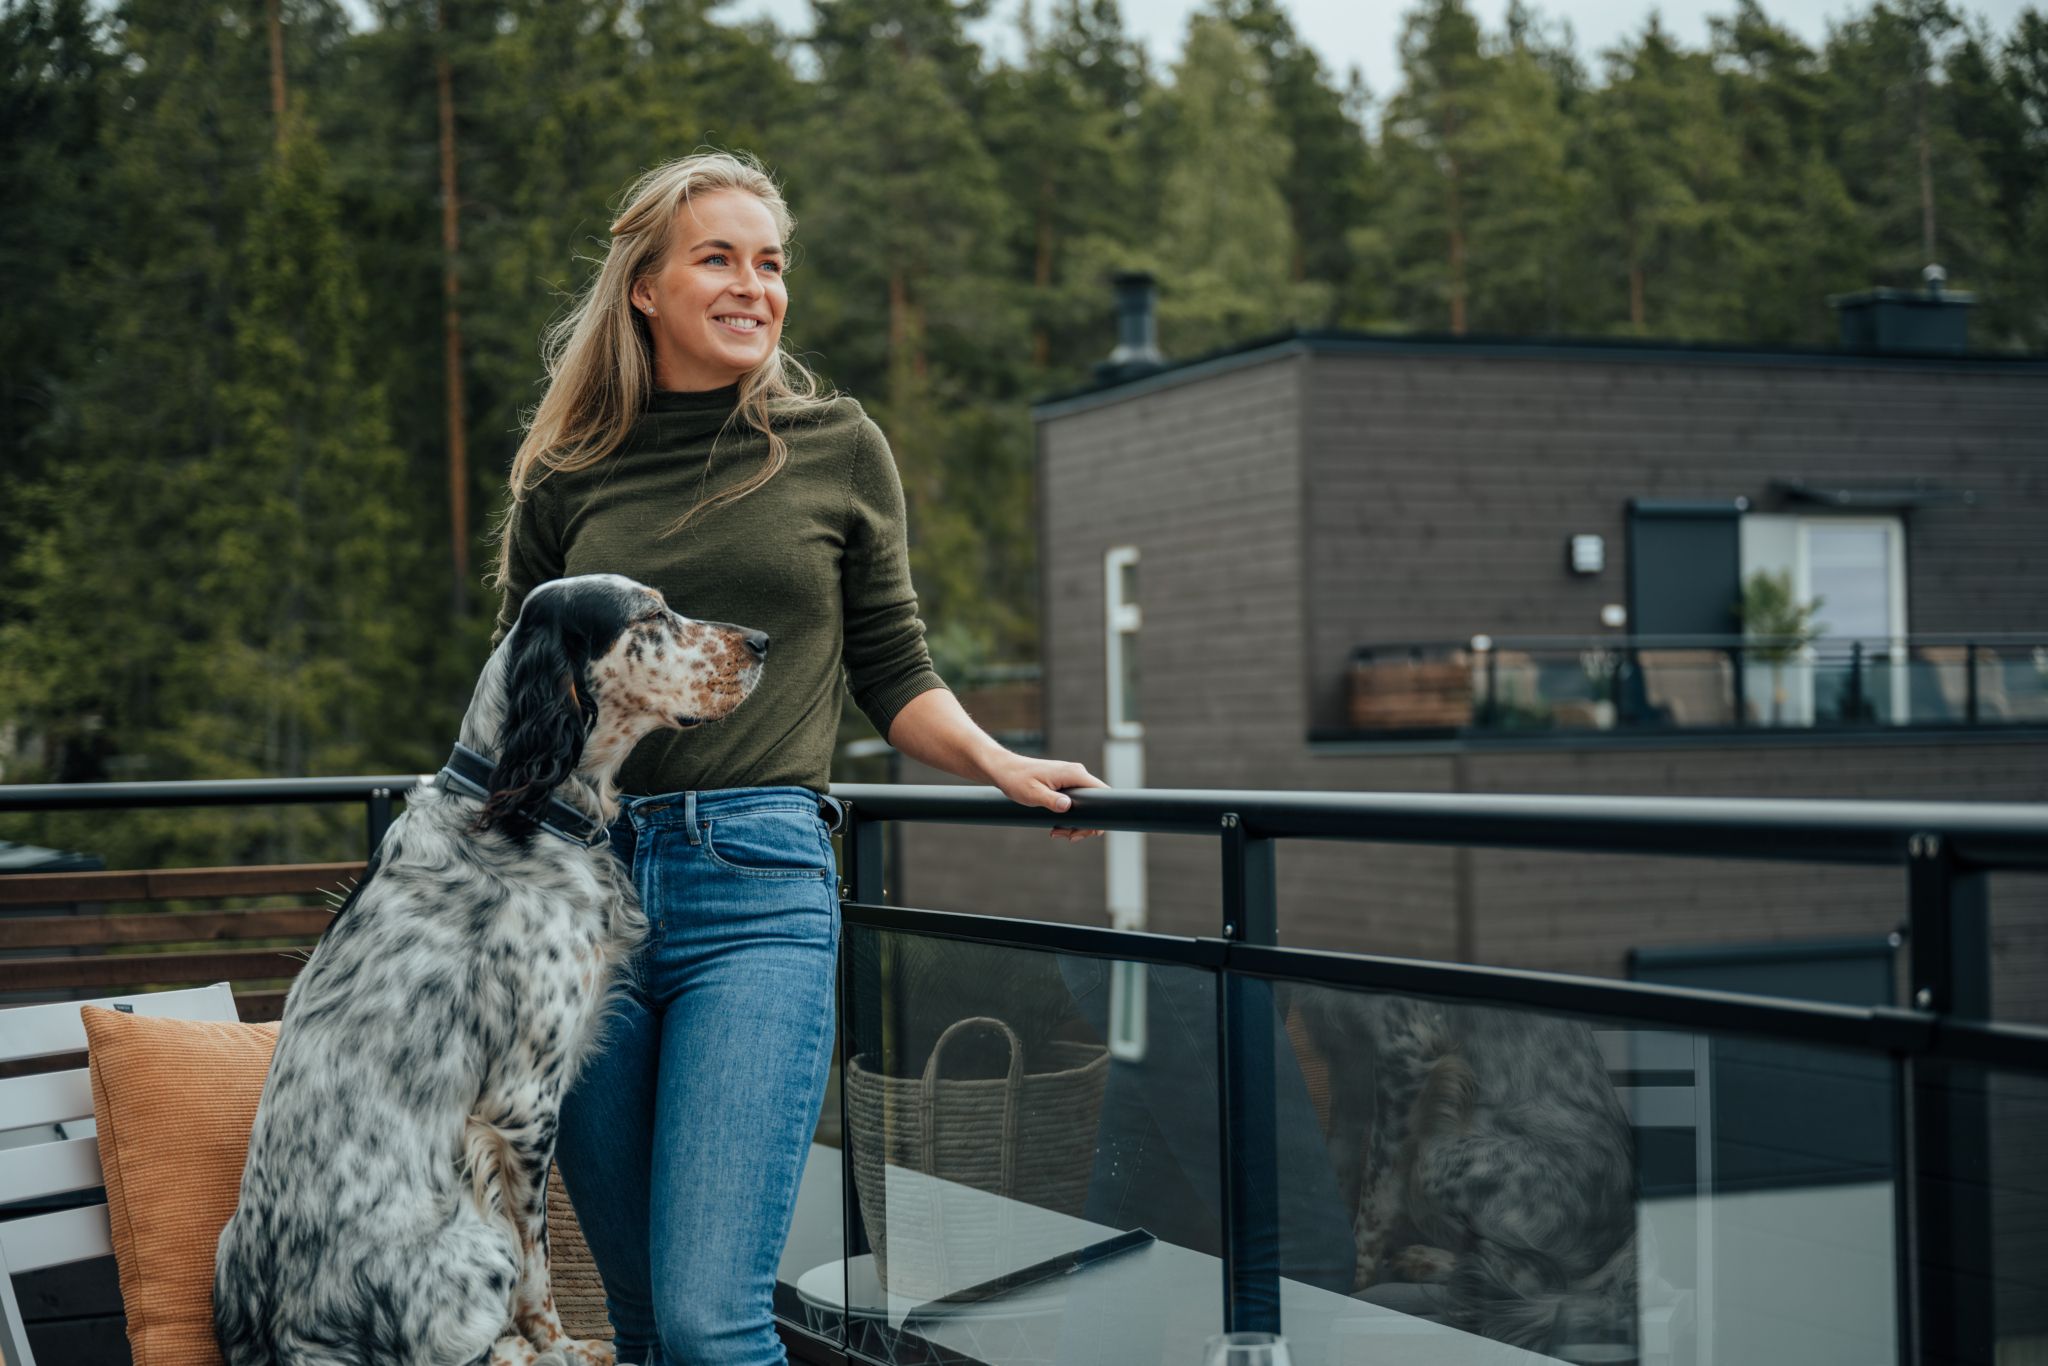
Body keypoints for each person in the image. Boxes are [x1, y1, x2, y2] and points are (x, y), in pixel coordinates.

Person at [490, 149, 1105, 1366]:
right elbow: (525, 702)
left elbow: (894, 667)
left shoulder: (835, 445)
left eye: (769, 263)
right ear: (644, 288)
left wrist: (999, 762)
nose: (753, 285)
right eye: (717, 258)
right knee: (644, 1325)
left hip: (756, 891)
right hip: (579, 904)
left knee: (711, 1321)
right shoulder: (567, 475)